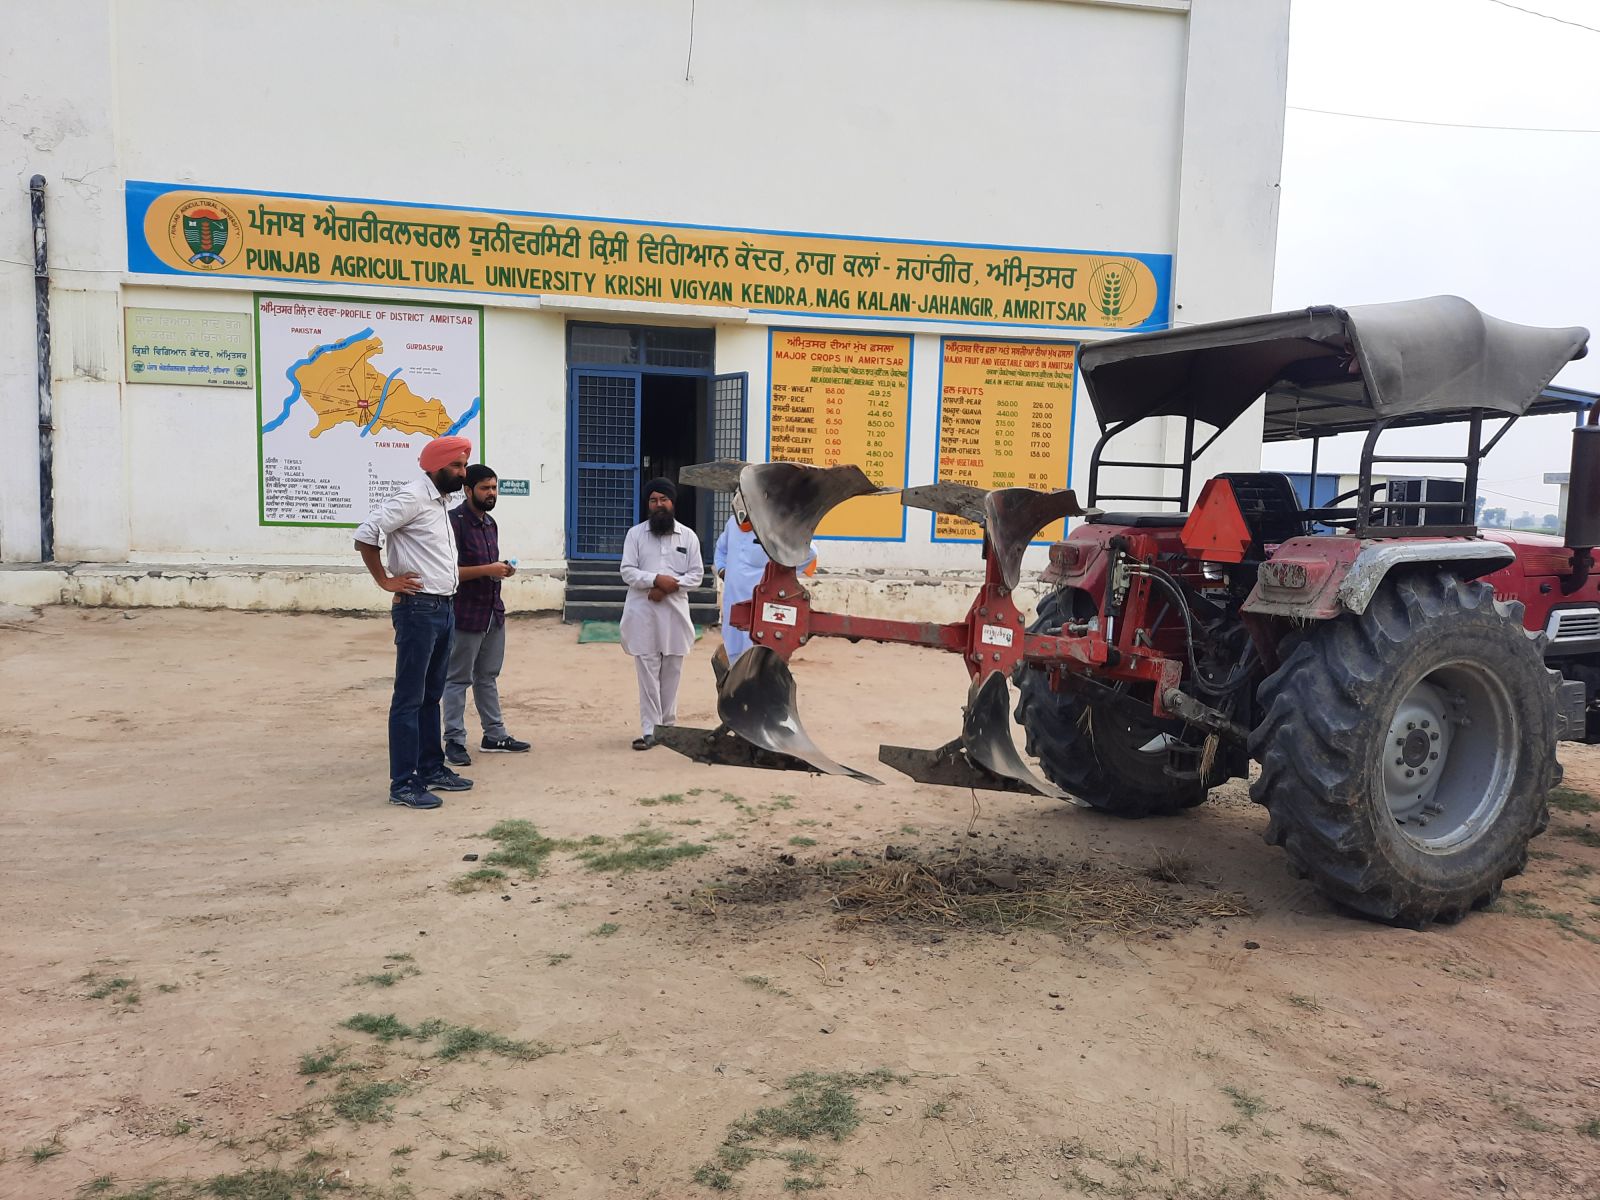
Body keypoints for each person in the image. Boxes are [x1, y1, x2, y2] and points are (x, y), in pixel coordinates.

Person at [353, 435, 477, 810]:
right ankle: (403, 783)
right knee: (409, 698)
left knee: (432, 695)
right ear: (435, 467)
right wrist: (385, 580)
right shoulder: (412, 497)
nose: (462, 472)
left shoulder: (440, 501)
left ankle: (431, 767)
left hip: (442, 608)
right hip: (418, 610)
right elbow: (366, 534)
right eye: (456, 466)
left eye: (463, 465)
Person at [443, 464, 532, 767]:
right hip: (466, 614)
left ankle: (494, 735)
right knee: (457, 679)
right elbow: (448, 573)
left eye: (494, 487)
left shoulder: (490, 523)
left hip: (492, 612)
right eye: (485, 488)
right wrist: (488, 570)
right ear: (468, 490)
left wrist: (501, 568)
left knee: (488, 677)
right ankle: (454, 740)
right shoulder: (453, 523)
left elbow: (486, 567)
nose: (492, 493)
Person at [619, 477, 703, 750]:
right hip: (643, 614)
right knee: (648, 676)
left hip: (675, 615)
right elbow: (627, 571)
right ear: (648, 505)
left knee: (672, 674)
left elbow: (697, 575)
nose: (659, 505)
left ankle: (668, 728)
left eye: (663, 499)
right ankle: (650, 731)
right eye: (653, 500)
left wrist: (668, 587)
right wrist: (656, 579)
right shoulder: (635, 535)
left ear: (672, 502)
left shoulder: (688, 536)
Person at [713, 487, 817, 664]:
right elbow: (721, 549)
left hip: (760, 606)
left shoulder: (775, 526)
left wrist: (781, 577)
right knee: (733, 655)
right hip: (732, 604)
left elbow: (809, 552)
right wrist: (722, 570)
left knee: (757, 660)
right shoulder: (732, 523)